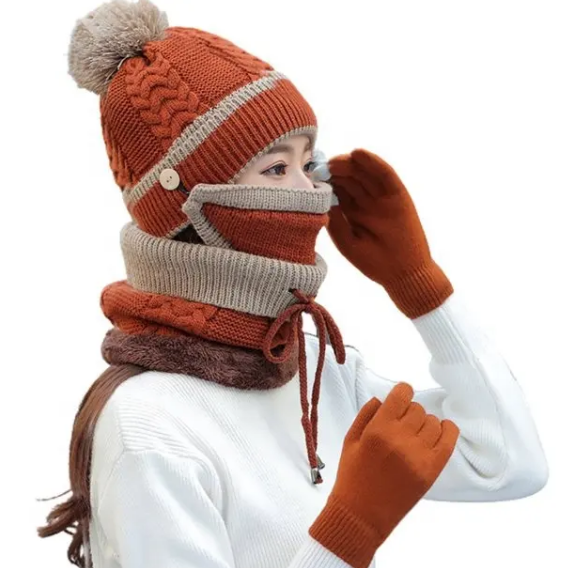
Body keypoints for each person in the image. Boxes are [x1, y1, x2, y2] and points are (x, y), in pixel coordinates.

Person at [38, 1, 548, 568]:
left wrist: (421, 288)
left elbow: (506, 462)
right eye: (277, 168)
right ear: (185, 202)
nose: (313, 194)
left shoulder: (312, 371)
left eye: (310, 163)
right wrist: (349, 532)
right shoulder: (149, 425)